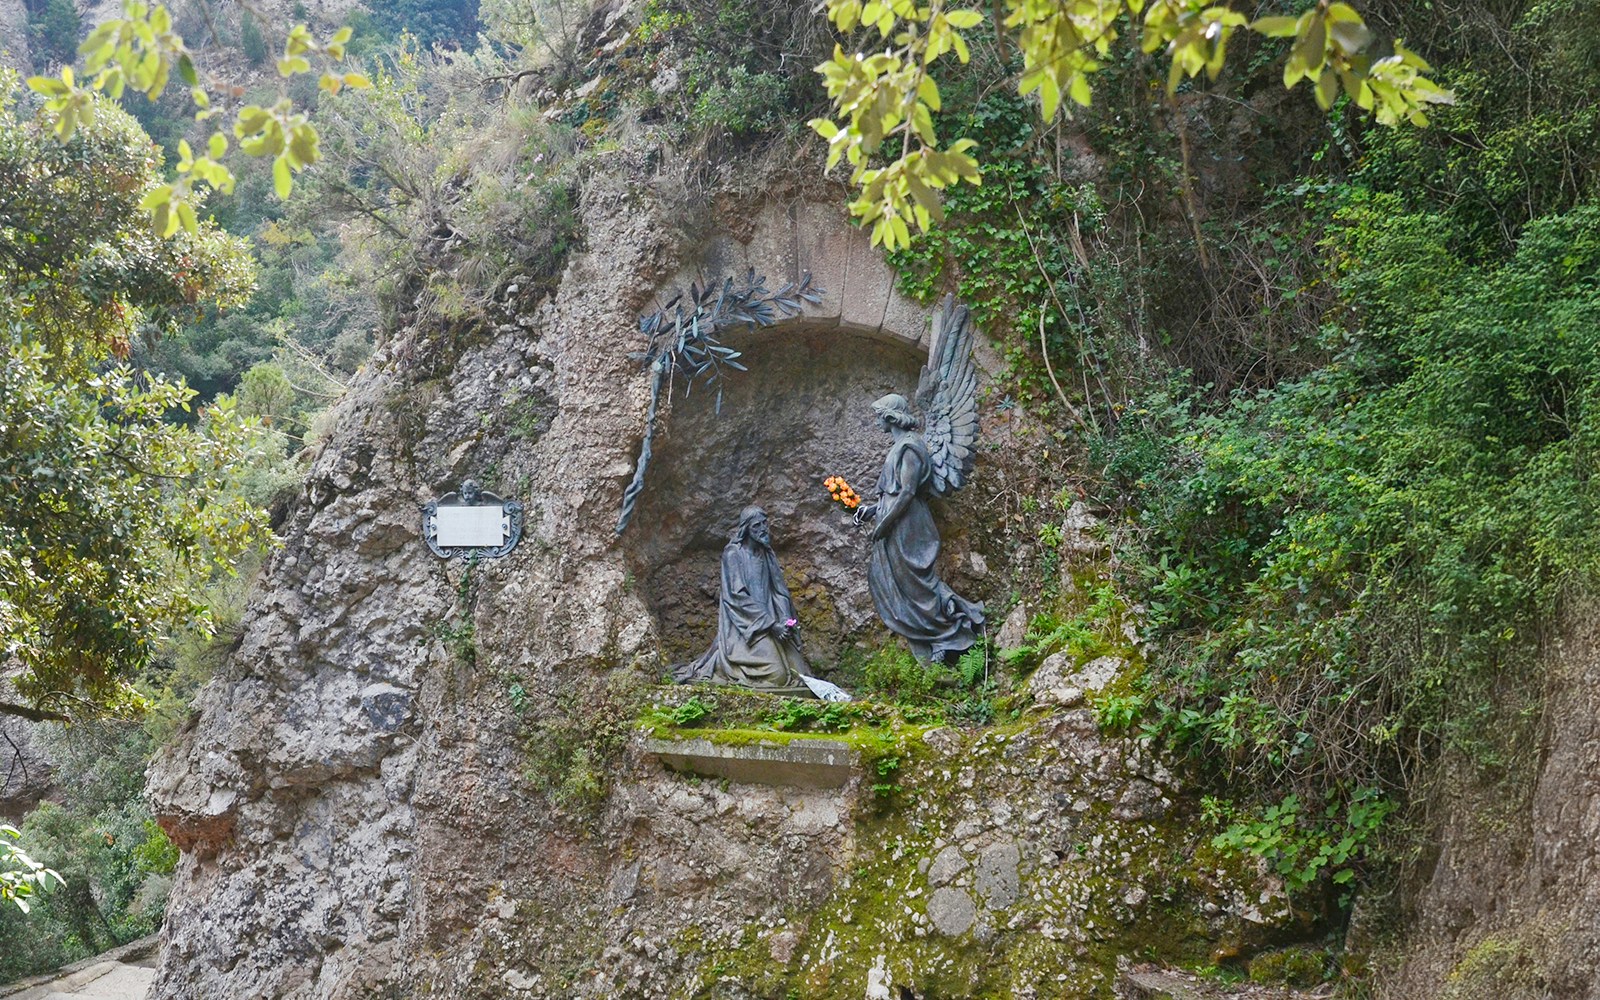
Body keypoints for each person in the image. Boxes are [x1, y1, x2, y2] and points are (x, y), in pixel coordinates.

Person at [854, 393, 985, 662]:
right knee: (904, 588)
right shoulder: (899, 445)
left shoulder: (911, 446)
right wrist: (872, 511)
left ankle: (953, 632)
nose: (877, 421)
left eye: (879, 415)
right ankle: (930, 646)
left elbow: (907, 493)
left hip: (908, 527)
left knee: (918, 588)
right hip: (895, 524)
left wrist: (885, 524)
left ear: (890, 416)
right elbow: (892, 494)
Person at [672, 507, 817, 694]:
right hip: (746, 629)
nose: (763, 529)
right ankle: (722, 664)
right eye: (757, 525)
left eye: (765, 524)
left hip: (773, 623)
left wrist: (785, 622)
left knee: (800, 673)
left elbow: (779, 592)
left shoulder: (767, 554)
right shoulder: (733, 554)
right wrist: (771, 625)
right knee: (778, 676)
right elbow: (737, 598)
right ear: (746, 529)